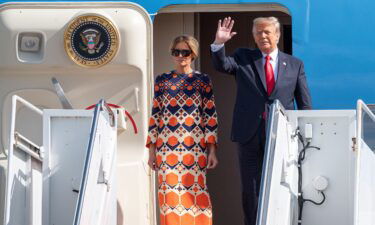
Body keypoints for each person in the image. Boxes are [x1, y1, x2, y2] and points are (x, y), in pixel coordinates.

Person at [211, 17, 312, 225]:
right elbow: (222, 65)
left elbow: (304, 104)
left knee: (282, 182)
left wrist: (304, 138)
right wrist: (219, 43)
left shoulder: (294, 65)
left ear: (277, 34)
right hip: (249, 134)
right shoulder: (243, 57)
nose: (262, 36)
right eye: (258, 33)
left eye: (267, 32)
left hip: (281, 135)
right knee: (251, 188)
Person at [147, 35, 219, 225]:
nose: (180, 56)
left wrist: (212, 150)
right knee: (169, 201)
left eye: (184, 52)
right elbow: (155, 114)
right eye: (176, 52)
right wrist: (152, 151)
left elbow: (210, 116)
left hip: (194, 149)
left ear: (193, 54)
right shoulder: (162, 81)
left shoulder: (202, 80)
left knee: (196, 196)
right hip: (166, 150)